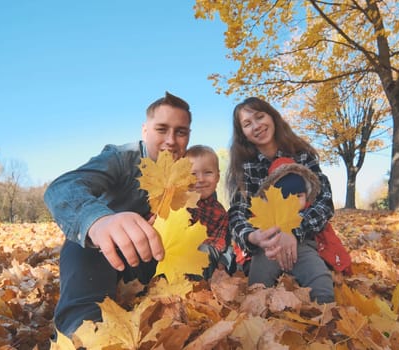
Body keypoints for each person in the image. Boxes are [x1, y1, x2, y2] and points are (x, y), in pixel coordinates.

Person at [44, 91, 192, 336]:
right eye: (161, 129)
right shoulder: (121, 158)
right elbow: (62, 188)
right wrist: (99, 221)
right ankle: (84, 333)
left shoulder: (190, 170)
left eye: (181, 132)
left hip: (158, 260)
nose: (171, 140)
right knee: (81, 246)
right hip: (107, 257)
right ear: (145, 131)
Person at [226, 96, 335, 303]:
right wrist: (252, 237)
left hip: (302, 239)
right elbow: (237, 211)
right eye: (247, 124)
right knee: (257, 289)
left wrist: (294, 231)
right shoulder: (245, 167)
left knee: (321, 284)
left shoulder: (302, 155)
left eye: (260, 117)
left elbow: (325, 201)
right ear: (243, 134)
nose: (256, 126)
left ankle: (328, 322)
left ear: (273, 117)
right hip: (266, 244)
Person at [185, 145, 234, 277]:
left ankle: (197, 290)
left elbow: (219, 241)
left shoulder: (219, 213)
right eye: (193, 174)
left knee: (202, 251)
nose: (200, 179)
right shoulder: (178, 204)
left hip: (206, 255)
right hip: (177, 252)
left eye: (208, 172)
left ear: (217, 177)